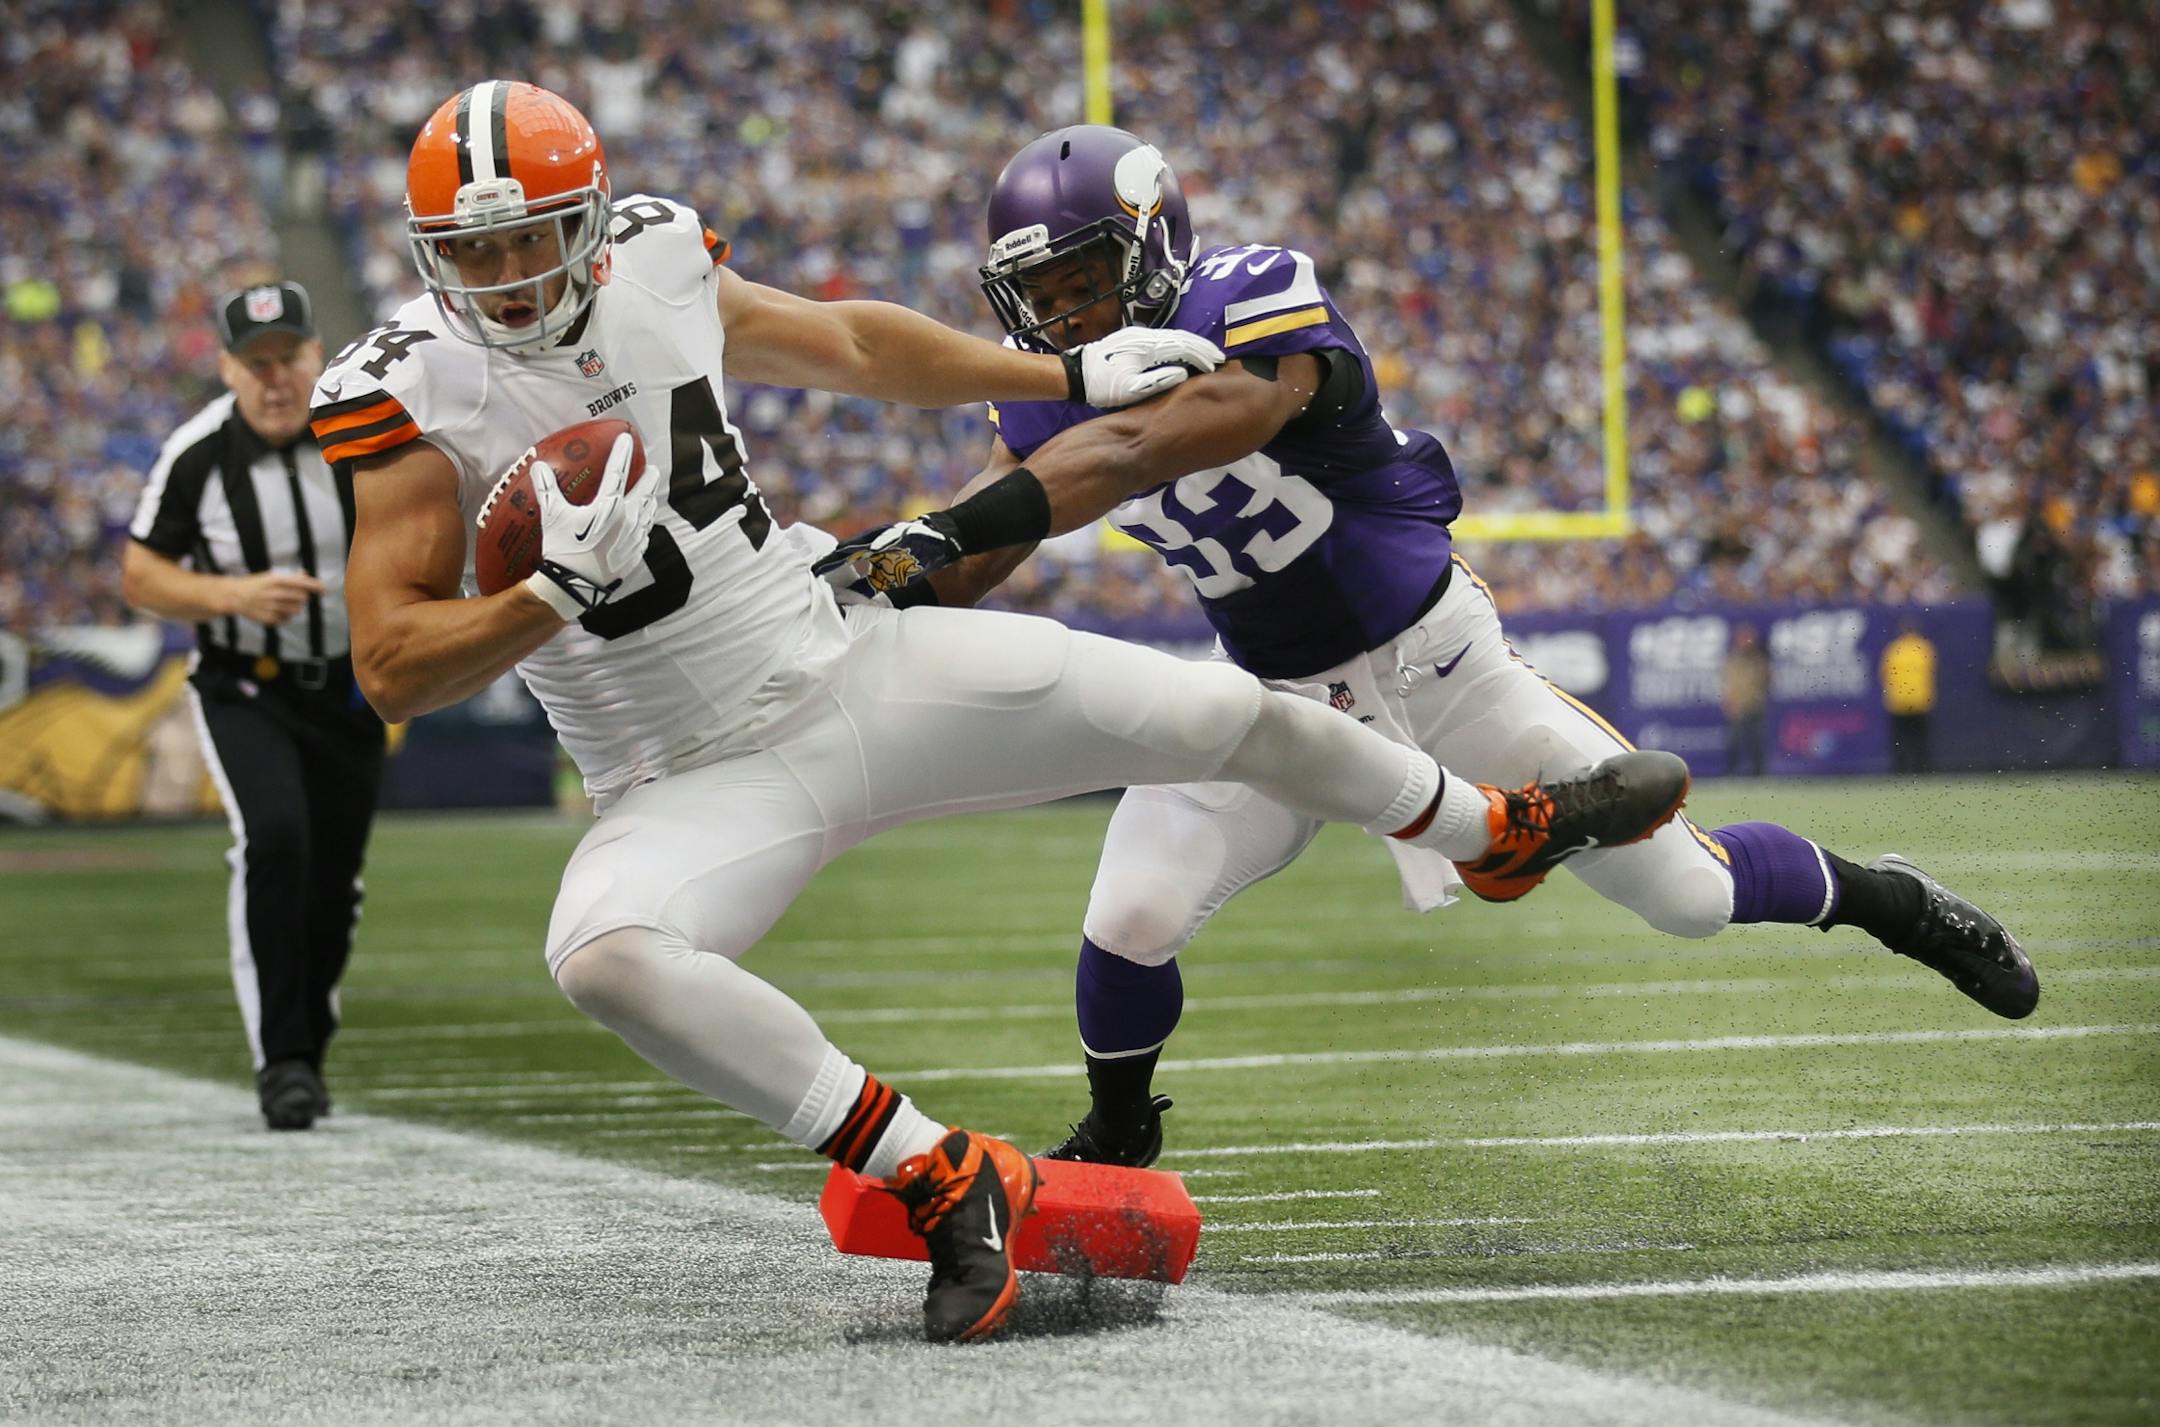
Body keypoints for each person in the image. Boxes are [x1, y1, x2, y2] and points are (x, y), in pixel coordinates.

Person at [315, 82, 1688, 1344]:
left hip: (845, 658)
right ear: (432, 252)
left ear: (596, 215)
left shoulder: (663, 258)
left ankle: (1496, 828)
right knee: (601, 952)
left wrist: (1063, 377)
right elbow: (394, 664)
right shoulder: (409, 388)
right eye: (473, 251)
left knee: (1213, 711)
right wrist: (548, 591)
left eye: (531, 238)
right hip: (684, 772)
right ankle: (935, 1169)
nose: (504, 278)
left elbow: (850, 342)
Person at [815, 125, 2041, 1168]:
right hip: (1273, 698)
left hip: (1440, 665)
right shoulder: (1045, 383)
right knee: (1130, 911)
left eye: (1086, 274)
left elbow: (1160, 440)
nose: (1067, 310)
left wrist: (949, 526)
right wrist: (858, 583)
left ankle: (1894, 901)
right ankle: (1120, 1131)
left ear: (1155, 244)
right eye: (1046, 289)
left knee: (1689, 894)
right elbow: (969, 552)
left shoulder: (1248, 295)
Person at [124, 280, 384, 1131]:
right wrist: (234, 594)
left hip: (349, 688)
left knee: (336, 883)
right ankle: (285, 1062)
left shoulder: (364, 433)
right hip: (246, 686)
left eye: (291, 359)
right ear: (229, 368)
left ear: (318, 356)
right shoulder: (197, 452)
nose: (277, 379)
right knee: (276, 837)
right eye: (257, 363)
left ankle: (306, 1041)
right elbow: (141, 574)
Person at [1880, 616, 1937, 774]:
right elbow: (1931, 673)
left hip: (1898, 701)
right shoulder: (1925, 648)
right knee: (1919, 739)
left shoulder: (1893, 649)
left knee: (1901, 739)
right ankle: (1922, 769)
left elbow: (1884, 674)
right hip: (1920, 701)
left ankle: (1901, 769)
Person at [1722, 622, 1770, 778]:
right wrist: (1729, 701)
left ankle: (1759, 773)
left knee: (1756, 741)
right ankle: (1732, 772)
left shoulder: (1758, 660)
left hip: (1754, 704)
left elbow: (1767, 680)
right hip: (1738, 704)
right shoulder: (1733, 660)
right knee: (1734, 741)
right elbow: (1728, 682)